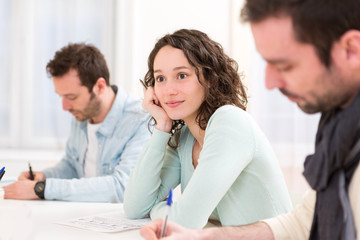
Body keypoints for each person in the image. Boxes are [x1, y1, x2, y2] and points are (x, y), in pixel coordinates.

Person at [139, 0, 360, 239]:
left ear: (352, 50)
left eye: (285, 65)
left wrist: (162, 212)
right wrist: (203, 237)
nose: (269, 82)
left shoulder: (228, 121)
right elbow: (303, 223)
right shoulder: (341, 128)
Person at [123, 29, 292, 229]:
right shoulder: (184, 138)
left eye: (182, 75)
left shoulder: (230, 122)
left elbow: (184, 221)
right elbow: (135, 207)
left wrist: (156, 210)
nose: (169, 90)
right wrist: (162, 127)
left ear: (210, 79)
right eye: (160, 79)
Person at [3, 43, 150, 202]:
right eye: (61, 97)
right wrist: (44, 176)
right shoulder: (81, 114)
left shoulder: (142, 120)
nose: (65, 107)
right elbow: (72, 166)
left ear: (99, 86)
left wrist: (42, 189)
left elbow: (123, 187)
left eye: (71, 97)